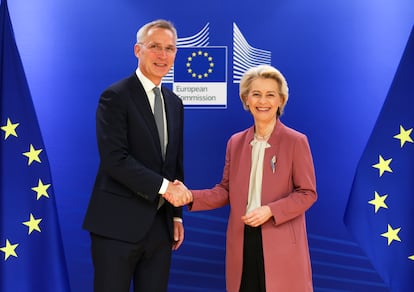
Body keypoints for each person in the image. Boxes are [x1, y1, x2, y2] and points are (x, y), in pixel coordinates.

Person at [164, 64, 317, 292]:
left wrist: (271, 210)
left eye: (270, 95)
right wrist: (189, 196)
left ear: (281, 101)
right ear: (246, 100)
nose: (262, 101)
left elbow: (307, 193)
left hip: (281, 242)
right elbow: (225, 190)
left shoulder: (296, 141)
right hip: (243, 241)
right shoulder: (235, 142)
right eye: (256, 94)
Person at [83, 19, 190, 292]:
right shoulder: (115, 96)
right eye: (155, 46)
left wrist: (176, 215)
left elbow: (173, 163)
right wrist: (167, 189)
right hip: (116, 227)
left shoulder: (174, 103)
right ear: (137, 50)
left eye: (170, 48)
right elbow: (114, 159)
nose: (163, 55)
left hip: (160, 228)